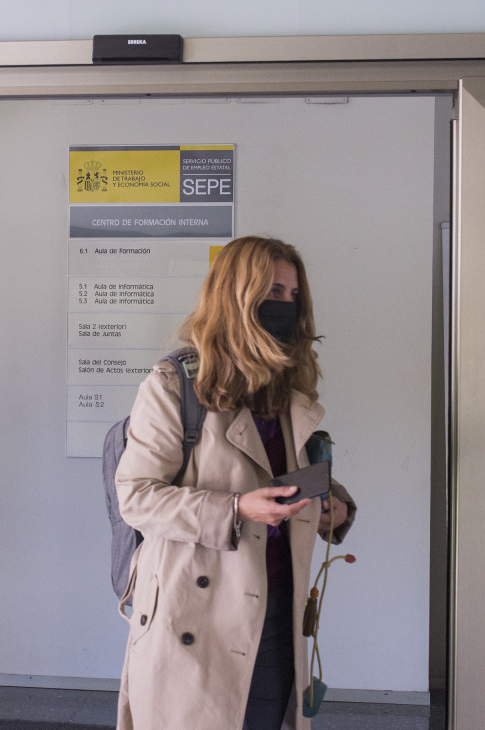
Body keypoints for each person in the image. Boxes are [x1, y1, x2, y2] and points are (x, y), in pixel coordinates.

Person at [114, 235, 356, 730]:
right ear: (236, 297)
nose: (285, 306)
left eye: (293, 296)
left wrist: (332, 505)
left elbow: (280, 476)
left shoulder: (288, 388)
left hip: (276, 611)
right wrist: (238, 510)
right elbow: (136, 497)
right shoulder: (174, 384)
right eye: (272, 293)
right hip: (197, 613)